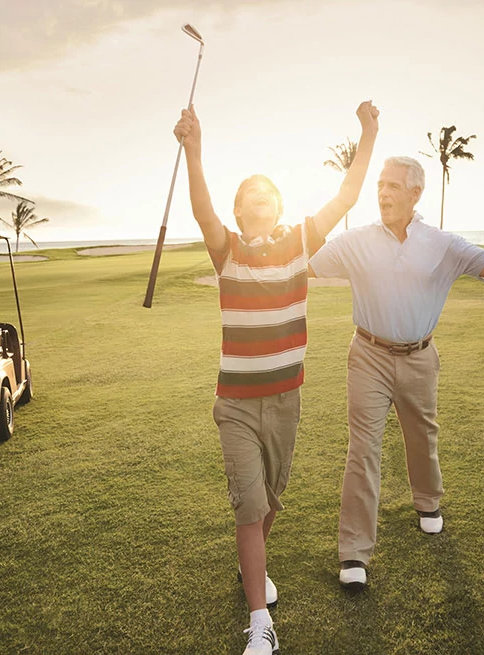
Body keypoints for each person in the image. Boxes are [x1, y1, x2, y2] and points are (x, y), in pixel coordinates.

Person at [173, 100, 378, 655]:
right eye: (247, 195)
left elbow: (347, 196)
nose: (256, 199)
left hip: (286, 402)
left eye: (266, 192)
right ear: (239, 212)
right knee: (250, 506)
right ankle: (259, 624)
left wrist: (368, 133)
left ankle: (251, 570)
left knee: (269, 502)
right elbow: (200, 208)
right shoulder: (227, 251)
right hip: (236, 404)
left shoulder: (299, 243)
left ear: (279, 205)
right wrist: (195, 149)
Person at [308, 155, 484, 590]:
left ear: (416, 194)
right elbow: (305, 264)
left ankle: (428, 503)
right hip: (368, 356)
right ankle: (354, 552)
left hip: (419, 357)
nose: (384, 193)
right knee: (363, 450)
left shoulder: (442, 244)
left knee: (422, 436)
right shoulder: (356, 240)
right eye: (380, 185)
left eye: (394, 186)